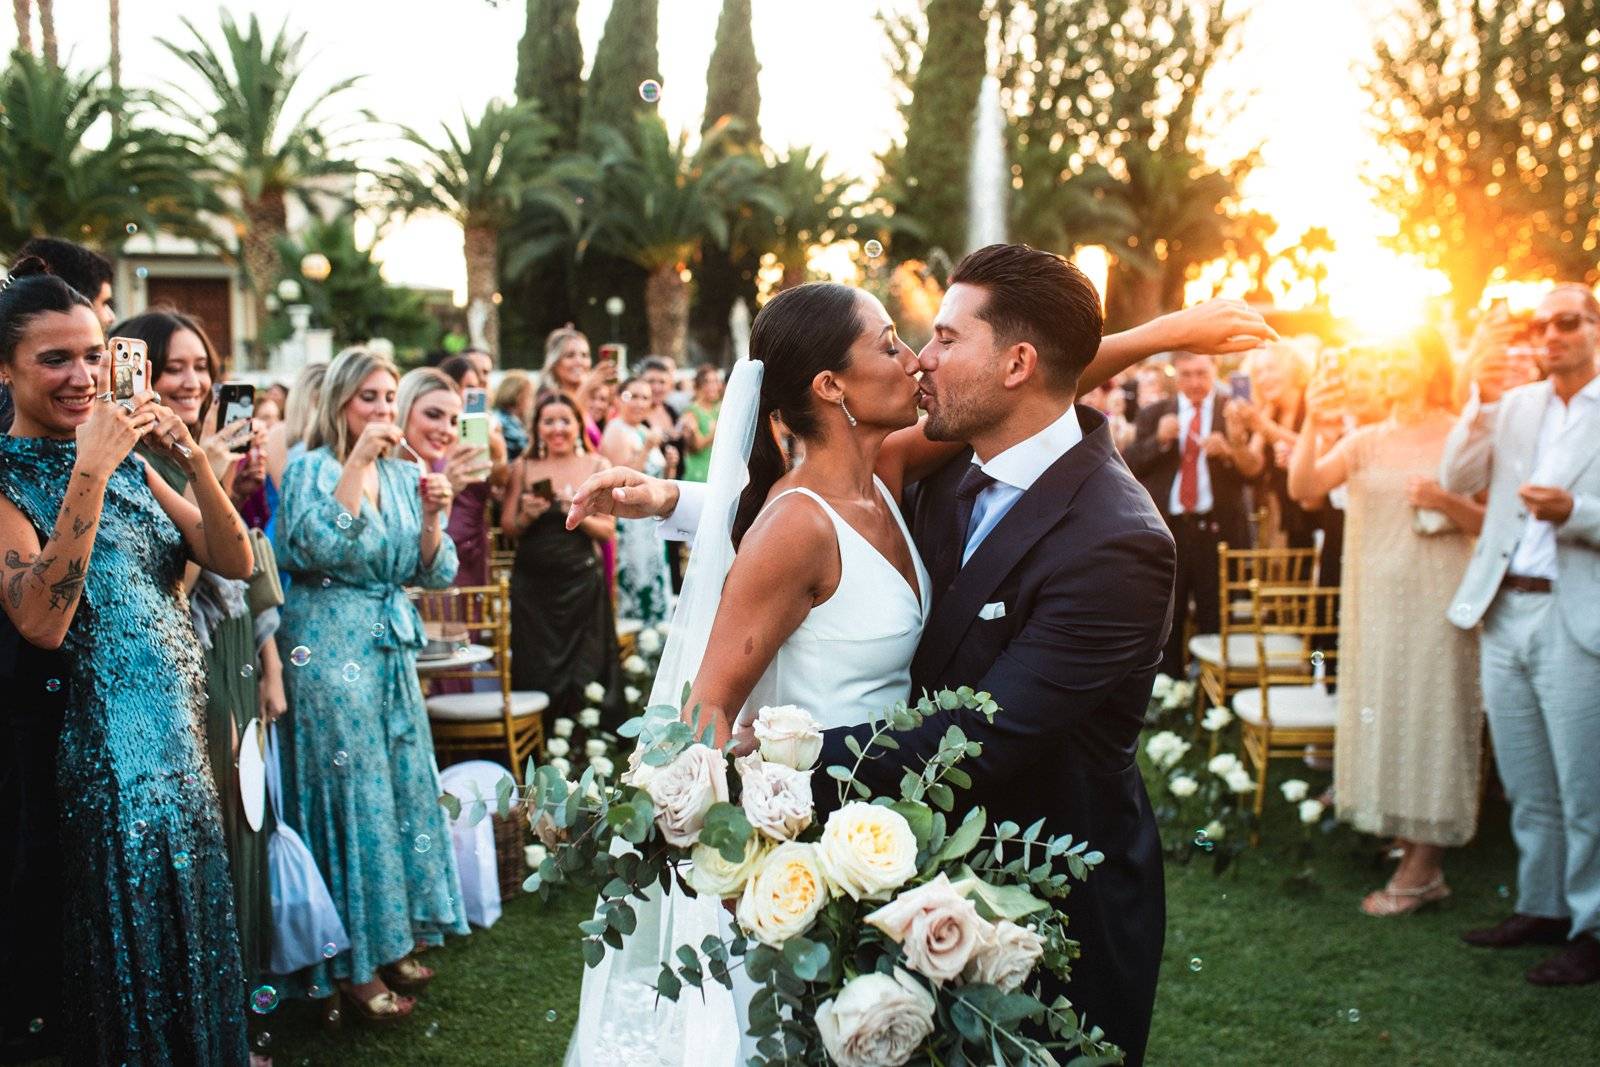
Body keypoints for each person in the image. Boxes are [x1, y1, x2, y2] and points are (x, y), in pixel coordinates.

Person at [566, 254, 1277, 1065]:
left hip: (963, 850)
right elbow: (777, 560)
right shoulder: (874, 489)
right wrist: (742, 817)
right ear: (833, 386)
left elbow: (1040, 380)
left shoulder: (926, 481)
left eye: (937, 338)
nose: (919, 359)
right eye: (899, 342)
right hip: (833, 833)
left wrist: (1163, 335)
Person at [0, 261, 255, 1065]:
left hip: (181, 748)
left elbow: (232, 558)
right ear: (3, 370)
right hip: (98, 764)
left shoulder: (135, 459)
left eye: (93, 355)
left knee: (195, 943)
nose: (82, 377)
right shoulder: (9, 481)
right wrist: (90, 467)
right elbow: (41, 618)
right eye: (55, 359)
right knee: (127, 955)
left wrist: (194, 460)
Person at [273, 347, 468, 1023]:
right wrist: (356, 462)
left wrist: (436, 513)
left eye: (390, 398)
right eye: (369, 399)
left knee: (394, 794)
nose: (384, 411)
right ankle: (348, 968)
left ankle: (389, 941)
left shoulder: (403, 472)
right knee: (349, 800)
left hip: (386, 652)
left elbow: (435, 571)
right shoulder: (312, 468)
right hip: (324, 651)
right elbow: (310, 545)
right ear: (339, 405)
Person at [114, 309, 288, 1020]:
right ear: (139, 371)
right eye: (173, 367)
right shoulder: (131, 461)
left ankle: (241, 995)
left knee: (247, 820)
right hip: (180, 664)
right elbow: (169, 589)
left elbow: (248, 561)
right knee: (208, 830)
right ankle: (204, 1011)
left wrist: (272, 663)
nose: (192, 381)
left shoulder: (198, 448)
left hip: (240, 649)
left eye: (201, 366)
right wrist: (205, 470)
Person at [1288, 332, 1485, 916]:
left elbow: (1498, 522)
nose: (1392, 366)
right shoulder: (1367, 439)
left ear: (1429, 364)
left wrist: (1446, 501)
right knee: (1391, 713)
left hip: (1439, 599)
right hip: (1375, 604)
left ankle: (1425, 869)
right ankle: (1404, 833)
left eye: (1403, 354)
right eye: (1385, 356)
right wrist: (1311, 421)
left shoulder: (1463, 434)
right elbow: (1304, 488)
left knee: (1434, 717)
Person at [1442, 284, 1600, 986]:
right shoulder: (1519, 404)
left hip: (1577, 614)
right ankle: (1541, 905)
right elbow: (1456, 475)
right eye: (1542, 324)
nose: (1551, 334)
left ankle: (1593, 926)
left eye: (1567, 321)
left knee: (1585, 782)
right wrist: (1477, 397)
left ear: (1595, 326)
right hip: (1504, 608)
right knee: (1528, 776)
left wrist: (1577, 511)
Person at [1126, 350, 1265, 676]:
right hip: (1167, 530)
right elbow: (1128, 464)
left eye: (1202, 373)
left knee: (1214, 615)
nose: (1195, 382)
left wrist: (1230, 451)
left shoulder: (1233, 412)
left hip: (1217, 532)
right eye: (1187, 374)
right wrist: (1159, 440)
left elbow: (1255, 474)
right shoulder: (1157, 414)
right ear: (1176, 375)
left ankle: (1213, 698)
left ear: (1214, 370)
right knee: (1166, 616)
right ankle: (1170, 689)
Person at [502, 393, 623, 727]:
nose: (557, 429)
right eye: (548, 421)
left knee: (586, 660)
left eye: (564, 420)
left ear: (577, 425)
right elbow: (509, 527)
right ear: (537, 427)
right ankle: (540, 737)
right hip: (533, 586)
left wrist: (578, 512)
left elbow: (608, 530)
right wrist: (527, 515)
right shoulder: (523, 467)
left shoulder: (598, 466)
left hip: (581, 582)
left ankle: (587, 734)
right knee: (535, 661)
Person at [601, 377, 672, 625]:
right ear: (619, 399)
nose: (640, 403)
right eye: (632, 396)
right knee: (636, 579)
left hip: (651, 523)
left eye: (645, 397)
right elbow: (621, 481)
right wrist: (645, 450)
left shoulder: (643, 430)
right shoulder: (616, 430)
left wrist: (670, 464)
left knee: (653, 579)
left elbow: (659, 484)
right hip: (629, 523)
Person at [437, 354, 508, 586]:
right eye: (461, 387)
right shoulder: (435, 435)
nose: (466, 395)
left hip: (476, 537)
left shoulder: (487, 429)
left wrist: (494, 443)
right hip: (444, 529)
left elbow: (500, 479)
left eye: (473, 388)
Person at [677, 363, 722, 483]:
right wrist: (718, 431)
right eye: (708, 382)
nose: (713, 386)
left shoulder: (719, 410)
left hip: (717, 471)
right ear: (699, 385)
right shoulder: (691, 411)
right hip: (698, 472)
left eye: (716, 381)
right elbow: (696, 446)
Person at [492, 369, 535, 458]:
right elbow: (526, 449)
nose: (533, 401)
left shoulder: (513, 420)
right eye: (529, 395)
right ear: (518, 396)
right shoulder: (503, 422)